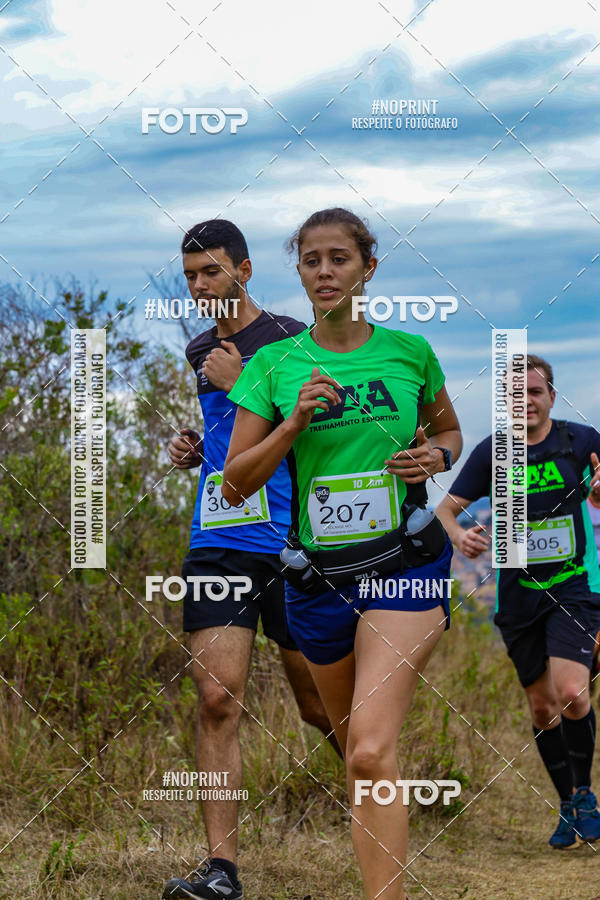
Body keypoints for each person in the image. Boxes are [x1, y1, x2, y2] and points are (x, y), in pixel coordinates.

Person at [222, 207, 462, 900]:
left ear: (368, 268)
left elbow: (448, 429)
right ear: (297, 272)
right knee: (353, 748)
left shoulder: (409, 352)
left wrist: (434, 457)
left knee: (367, 749)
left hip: (405, 568)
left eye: (339, 259)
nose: (324, 272)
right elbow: (237, 482)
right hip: (318, 579)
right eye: (310, 261)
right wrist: (293, 421)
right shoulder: (273, 364)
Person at [162, 219, 339, 900]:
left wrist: (242, 382)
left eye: (210, 272)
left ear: (245, 269)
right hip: (219, 540)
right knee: (216, 699)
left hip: (292, 546)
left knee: (321, 711)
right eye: (190, 277)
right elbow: (233, 441)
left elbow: (315, 433)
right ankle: (223, 872)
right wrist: (193, 450)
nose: (200, 286)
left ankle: (379, 806)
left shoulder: (294, 338)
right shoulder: (198, 348)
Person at [436, 354, 600, 849]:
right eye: (515, 395)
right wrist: (459, 536)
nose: (526, 402)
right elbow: (446, 510)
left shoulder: (582, 442)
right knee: (541, 706)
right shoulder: (494, 453)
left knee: (572, 691)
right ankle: (569, 803)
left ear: (552, 395)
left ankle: (587, 795)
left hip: (574, 585)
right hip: (518, 595)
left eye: (534, 392)